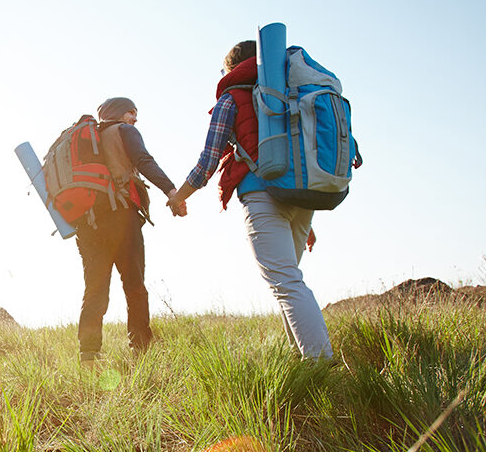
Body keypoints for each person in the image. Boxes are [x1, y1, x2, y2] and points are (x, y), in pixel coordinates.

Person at [167, 41, 352, 359]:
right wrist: (303, 218)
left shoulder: (233, 96)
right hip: (302, 197)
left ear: (232, 68)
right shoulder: (289, 93)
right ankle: (303, 361)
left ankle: (320, 362)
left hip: (262, 195)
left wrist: (177, 196)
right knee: (289, 283)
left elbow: (208, 161)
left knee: (286, 283)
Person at [75, 97, 183, 365]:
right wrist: (171, 191)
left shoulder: (86, 140)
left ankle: (88, 355)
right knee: (134, 285)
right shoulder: (124, 131)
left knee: (95, 289)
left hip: (87, 223)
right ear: (120, 115)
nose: (135, 118)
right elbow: (144, 161)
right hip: (120, 216)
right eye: (132, 112)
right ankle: (141, 350)